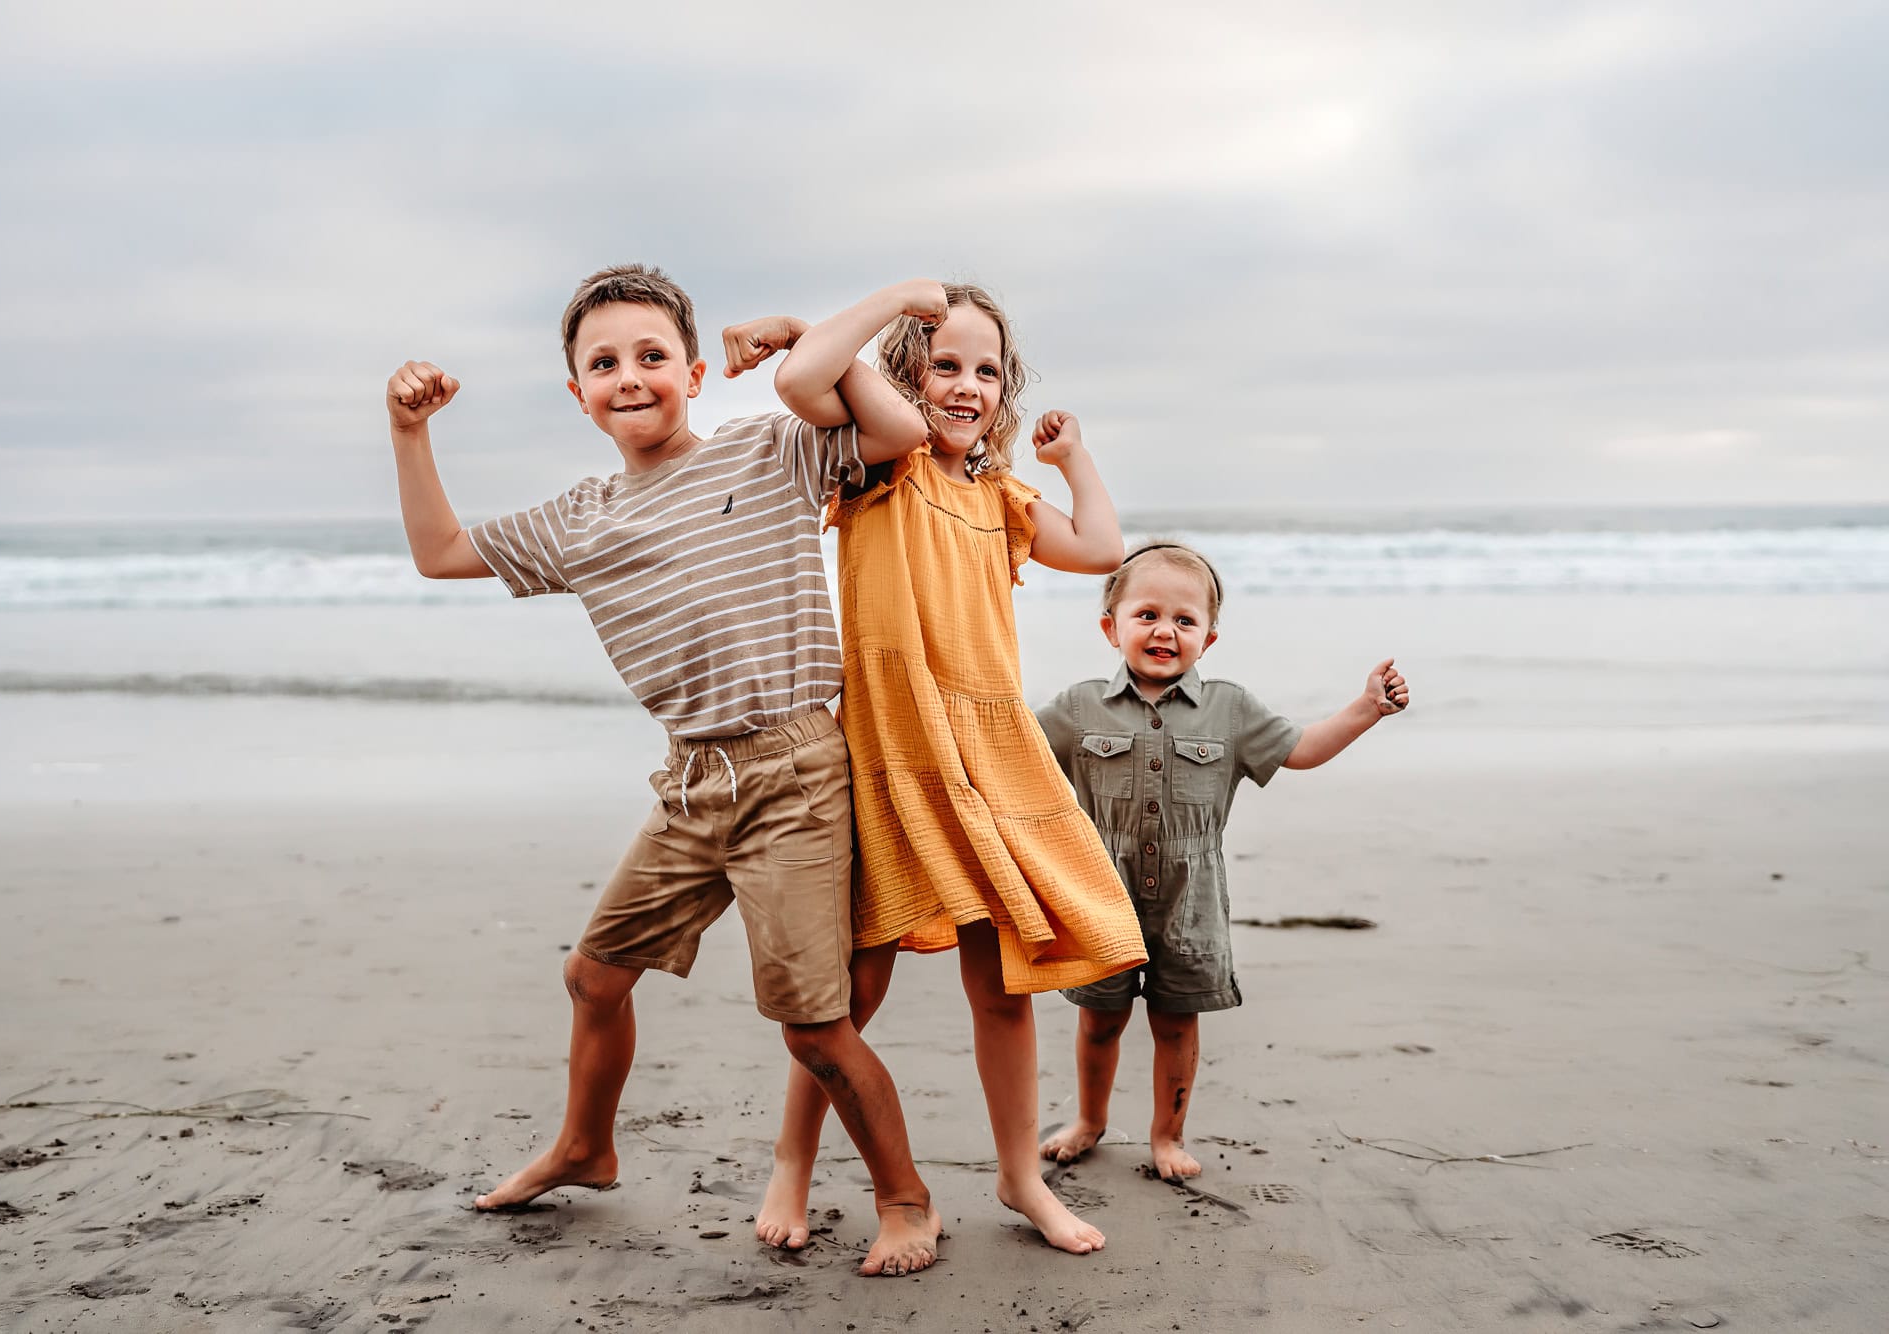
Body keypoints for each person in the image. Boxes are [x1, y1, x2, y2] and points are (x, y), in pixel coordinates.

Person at [383, 263, 951, 1276]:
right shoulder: (579, 518)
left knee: (814, 1027)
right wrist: (408, 430)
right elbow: (438, 551)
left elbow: (900, 432)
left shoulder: (769, 448)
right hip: (689, 782)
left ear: (691, 371)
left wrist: (827, 328)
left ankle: (904, 1198)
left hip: (793, 770)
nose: (629, 375)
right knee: (593, 974)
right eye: (603, 363)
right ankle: (584, 1144)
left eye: (650, 355)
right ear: (577, 393)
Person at [728, 281, 1147, 1256]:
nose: (967, 386)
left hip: (986, 756)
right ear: (904, 379)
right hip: (894, 749)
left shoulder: (999, 499)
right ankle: (791, 1158)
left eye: (986, 370)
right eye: (944, 364)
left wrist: (1070, 455)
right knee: (851, 988)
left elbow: (1101, 546)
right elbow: (805, 378)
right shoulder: (886, 463)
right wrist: (857, 311)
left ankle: (1017, 1173)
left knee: (1002, 981)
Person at [1035, 540, 1411, 1181]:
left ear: (1208, 639)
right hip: (1101, 893)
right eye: (1147, 614)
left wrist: (1367, 707)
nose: (1165, 630)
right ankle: (1090, 1121)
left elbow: (1304, 749)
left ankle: (1166, 1136)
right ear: (1111, 628)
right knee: (1099, 1020)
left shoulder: (1230, 709)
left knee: (1176, 1024)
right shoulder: (1077, 708)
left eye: (1185, 620)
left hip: (1192, 899)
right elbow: (1012, 754)